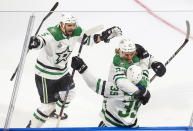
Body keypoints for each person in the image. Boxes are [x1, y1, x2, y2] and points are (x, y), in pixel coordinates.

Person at [26, 13, 122, 128]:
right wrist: (35, 42)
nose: (72, 28)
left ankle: (56, 112)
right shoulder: (52, 33)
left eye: (73, 25)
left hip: (62, 71)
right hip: (46, 74)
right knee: (47, 106)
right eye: (69, 25)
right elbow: (42, 40)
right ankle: (31, 128)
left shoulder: (76, 31)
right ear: (61, 25)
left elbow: (87, 40)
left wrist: (102, 36)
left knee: (69, 93)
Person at [71, 56, 151, 127]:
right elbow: (145, 70)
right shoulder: (145, 84)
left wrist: (82, 67)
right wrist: (146, 57)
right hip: (132, 127)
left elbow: (94, 83)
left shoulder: (117, 90)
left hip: (111, 126)